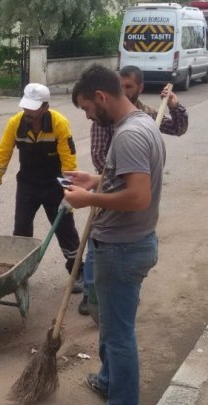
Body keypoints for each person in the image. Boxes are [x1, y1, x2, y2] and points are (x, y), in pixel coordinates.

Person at [64, 64, 165, 405]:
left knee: (119, 334)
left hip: (122, 250)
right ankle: (109, 380)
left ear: (102, 97)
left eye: (88, 109)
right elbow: (127, 182)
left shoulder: (128, 135)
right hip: (127, 244)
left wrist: (88, 200)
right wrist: (95, 180)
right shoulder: (139, 124)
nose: (89, 117)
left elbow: (138, 197)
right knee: (109, 322)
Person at [78, 65, 187, 315]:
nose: (124, 91)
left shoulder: (141, 120)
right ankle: (90, 292)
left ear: (140, 88)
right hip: (110, 187)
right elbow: (98, 156)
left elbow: (178, 128)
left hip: (123, 212)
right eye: (121, 85)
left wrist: (173, 105)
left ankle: (108, 296)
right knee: (96, 238)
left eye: (129, 87)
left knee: (117, 330)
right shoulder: (106, 119)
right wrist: (99, 182)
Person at [0, 83, 82, 293]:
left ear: (45, 107)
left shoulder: (59, 124)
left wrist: (69, 193)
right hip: (28, 183)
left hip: (55, 184)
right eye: (26, 107)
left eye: (33, 108)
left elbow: (69, 162)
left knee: (65, 229)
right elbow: (2, 154)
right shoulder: (16, 123)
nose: (27, 112)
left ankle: (78, 273)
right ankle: (20, 273)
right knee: (21, 230)